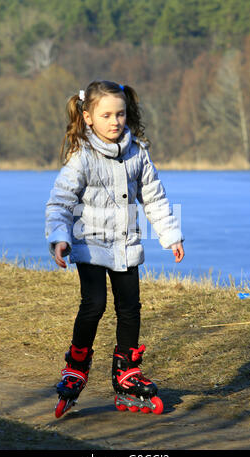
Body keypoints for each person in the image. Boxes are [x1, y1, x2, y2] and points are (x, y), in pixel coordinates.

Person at [45, 80, 185, 416]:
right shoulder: (83, 157)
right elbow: (60, 202)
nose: (115, 121)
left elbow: (154, 197)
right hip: (89, 245)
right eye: (106, 114)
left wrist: (171, 235)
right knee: (93, 304)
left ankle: (126, 372)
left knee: (130, 308)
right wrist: (59, 237)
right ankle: (76, 366)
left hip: (126, 245)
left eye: (120, 113)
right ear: (89, 117)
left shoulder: (137, 152)